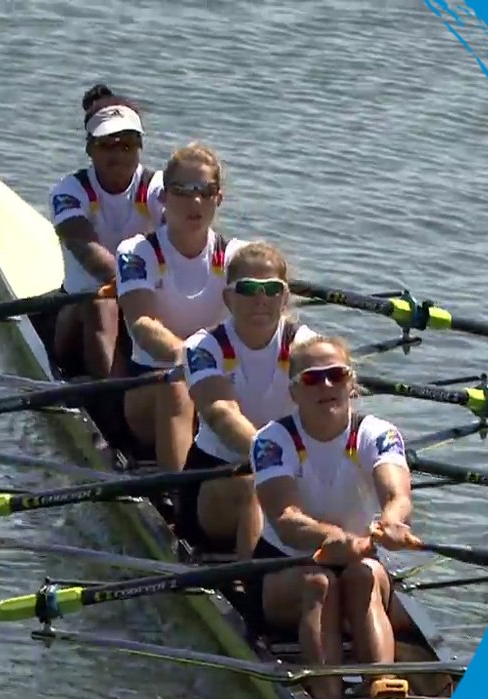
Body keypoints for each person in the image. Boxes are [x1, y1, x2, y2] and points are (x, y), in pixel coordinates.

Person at [248, 335, 418, 699]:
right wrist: (330, 537)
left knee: (365, 574)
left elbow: (397, 495)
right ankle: (329, 695)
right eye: (312, 378)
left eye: (336, 375)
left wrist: (390, 520)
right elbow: (286, 518)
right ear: (294, 391)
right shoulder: (272, 441)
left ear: (350, 382)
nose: (326, 385)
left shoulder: (379, 434)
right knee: (319, 581)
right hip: (286, 565)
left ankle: (382, 687)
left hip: (357, 557)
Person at [180, 241, 317, 559]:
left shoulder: (304, 345)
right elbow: (221, 413)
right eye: (249, 289)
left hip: (285, 475)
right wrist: (270, 459)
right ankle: (252, 587)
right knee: (252, 482)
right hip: (216, 479)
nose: (260, 299)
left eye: (271, 289)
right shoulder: (204, 347)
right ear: (228, 297)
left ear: (284, 297)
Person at [116, 141, 244, 471]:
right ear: (164, 197)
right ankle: (178, 499)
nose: (195, 201)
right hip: (150, 384)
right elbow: (143, 323)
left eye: (205, 190)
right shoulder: (137, 252)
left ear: (219, 197)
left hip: (214, 385)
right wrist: (195, 362)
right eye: (183, 190)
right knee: (177, 388)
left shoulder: (235, 258)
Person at [48, 83, 164, 379]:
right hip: (78, 311)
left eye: (126, 144)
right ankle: (114, 405)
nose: (118, 154)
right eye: (106, 144)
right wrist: (134, 284)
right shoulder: (70, 191)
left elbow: (183, 237)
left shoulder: (158, 187)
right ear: (89, 148)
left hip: (142, 304)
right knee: (101, 305)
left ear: (140, 146)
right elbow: (87, 250)